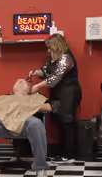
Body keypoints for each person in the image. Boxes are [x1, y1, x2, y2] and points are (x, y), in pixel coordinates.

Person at [29, 33, 82, 164]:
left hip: (68, 94)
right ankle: (62, 153)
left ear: (57, 46)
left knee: (67, 121)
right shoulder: (52, 58)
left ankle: (69, 155)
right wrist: (36, 72)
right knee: (59, 120)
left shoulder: (66, 58)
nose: (48, 51)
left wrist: (37, 87)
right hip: (57, 94)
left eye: (50, 48)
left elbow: (54, 79)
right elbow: (45, 71)